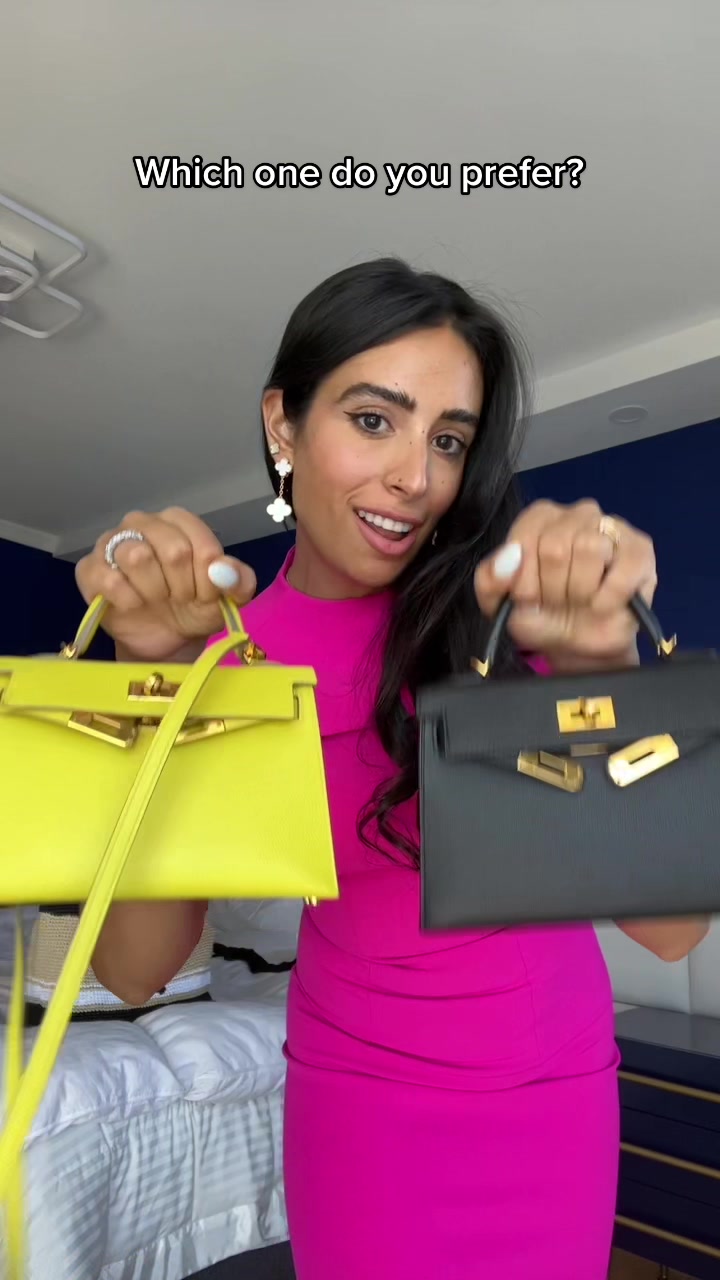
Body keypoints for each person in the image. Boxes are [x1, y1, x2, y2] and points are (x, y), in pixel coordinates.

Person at [76, 258, 709, 1279]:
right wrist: (151, 677)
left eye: (448, 439)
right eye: (375, 420)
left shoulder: (509, 627)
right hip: (358, 1102)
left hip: (547, 1093)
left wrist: (605, 665)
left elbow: (673, 929)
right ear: (283, 425)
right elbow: (134, 967)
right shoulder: (226, 661)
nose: (417, 476)